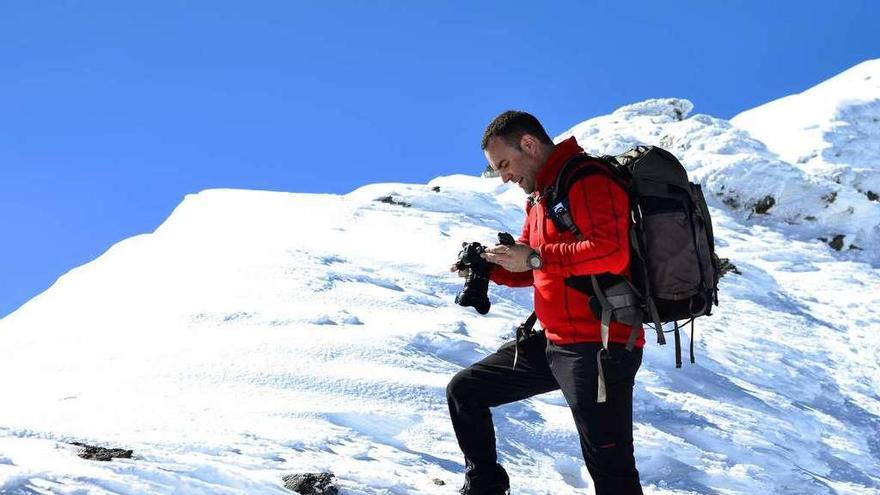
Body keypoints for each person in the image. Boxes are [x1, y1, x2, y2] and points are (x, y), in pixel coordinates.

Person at [447, 111, 645, 495]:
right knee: (466, 391)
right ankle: (485, 487)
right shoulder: (540, 196)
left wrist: (535, 258)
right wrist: (495, 269)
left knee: (609, 465)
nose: (504, 176)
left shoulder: (587, 179)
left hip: (600, 346)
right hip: (556, 343)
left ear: (529, 144)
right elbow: (532, 265)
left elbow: (611, 253)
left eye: (504, 164)